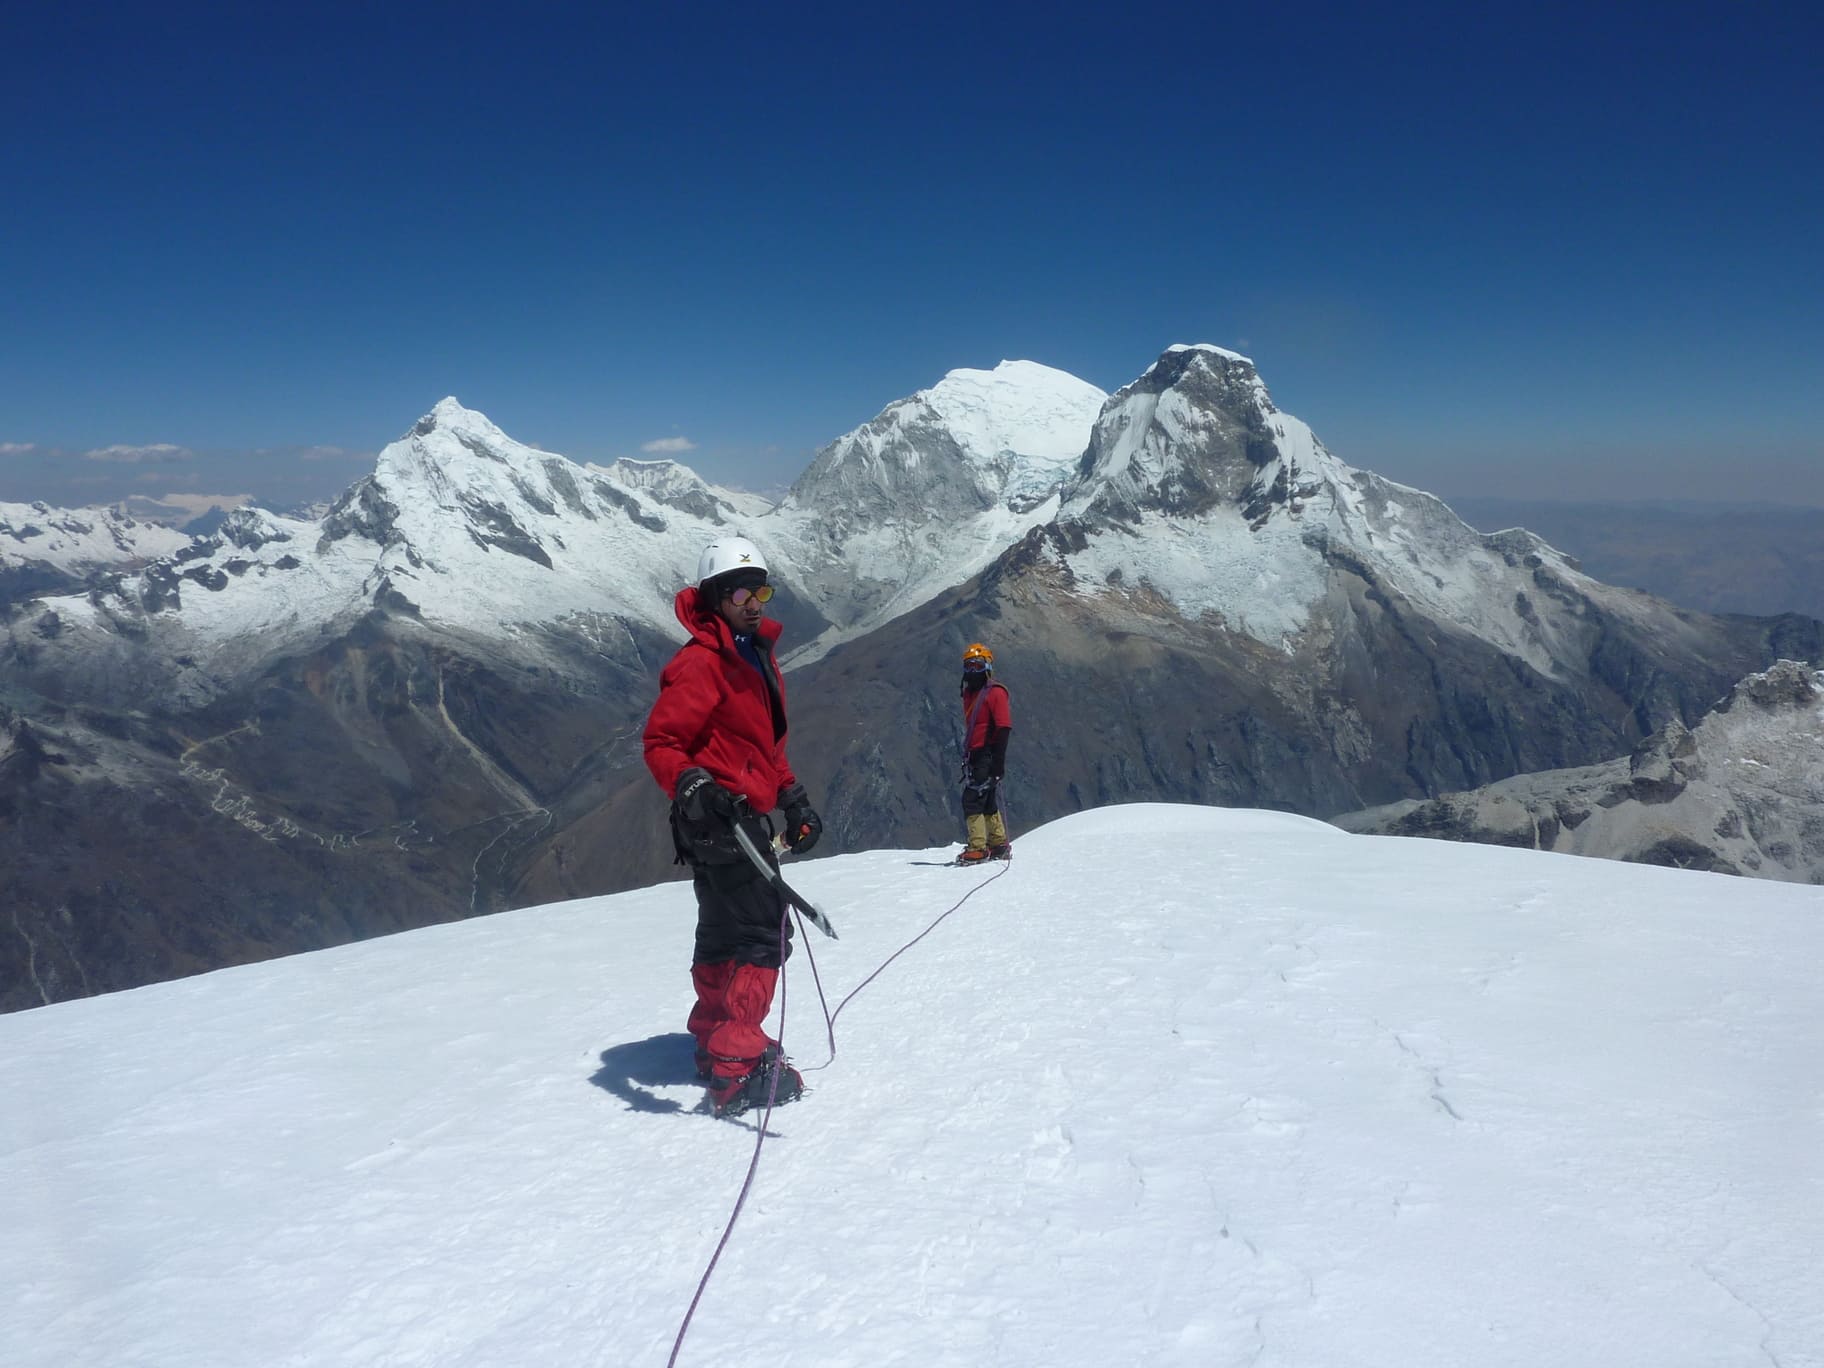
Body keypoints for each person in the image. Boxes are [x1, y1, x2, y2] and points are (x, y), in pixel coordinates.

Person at [643, 535, 823, 1118]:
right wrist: (694, 785)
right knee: (759, 937)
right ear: (716, 596)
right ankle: (737, 1065)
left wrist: (792, 798)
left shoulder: (751, 653)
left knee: (725, 931)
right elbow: (663, 742)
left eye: (761, 590)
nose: (755, 602)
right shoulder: (701, 662)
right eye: (742, 591)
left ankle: (714, 1040)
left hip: (733, 814)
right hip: (718, 817)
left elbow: (761, 744)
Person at [958, 641, 1013, 863]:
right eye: (969, 666)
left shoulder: (995, 693)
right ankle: (998, 844)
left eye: (977, 665)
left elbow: (1003, 727)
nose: (973, 671)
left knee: (972, 799)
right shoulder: (971, 694)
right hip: (978, 755)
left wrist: (999, 762)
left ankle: (978, 847)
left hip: (987, 755)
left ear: (987, 667)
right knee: (987, 798)